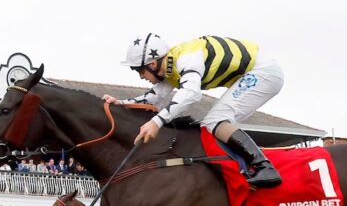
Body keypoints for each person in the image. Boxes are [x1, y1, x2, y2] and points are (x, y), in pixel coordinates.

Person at [104, 33, 283, 188]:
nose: (141, 77)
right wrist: (119, 103)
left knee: (215, 120)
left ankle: (264, 167)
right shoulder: (169, 68)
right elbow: (153, 97)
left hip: (264, 72)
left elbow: (191, 92)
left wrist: (156, 122)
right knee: (212, 123)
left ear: (152, 64)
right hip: (257, 72)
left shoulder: (186, 58)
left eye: (139, 71)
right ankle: (243, 167)